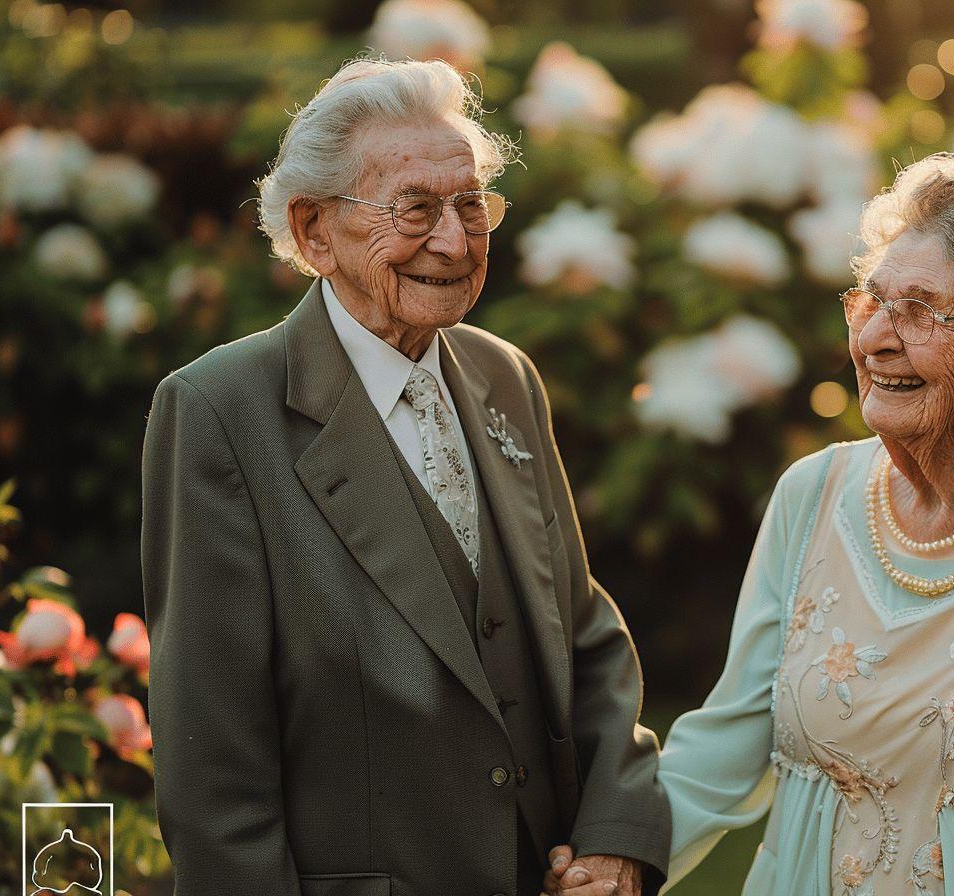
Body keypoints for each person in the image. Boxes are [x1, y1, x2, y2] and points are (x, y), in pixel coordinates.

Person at [546, 153, 954, 895]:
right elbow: (729, 737)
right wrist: (621, 860)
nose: (877, 336)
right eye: (871, 301)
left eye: (919, 311)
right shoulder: (811, 495)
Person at [139, 58, 669, 896]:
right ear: (314, 232)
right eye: (415, 209)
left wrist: (615, 838)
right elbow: (213, 767)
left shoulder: (505, 377)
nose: (454, 242)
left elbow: (583, 637)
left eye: (470, 205)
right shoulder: (218, 412)